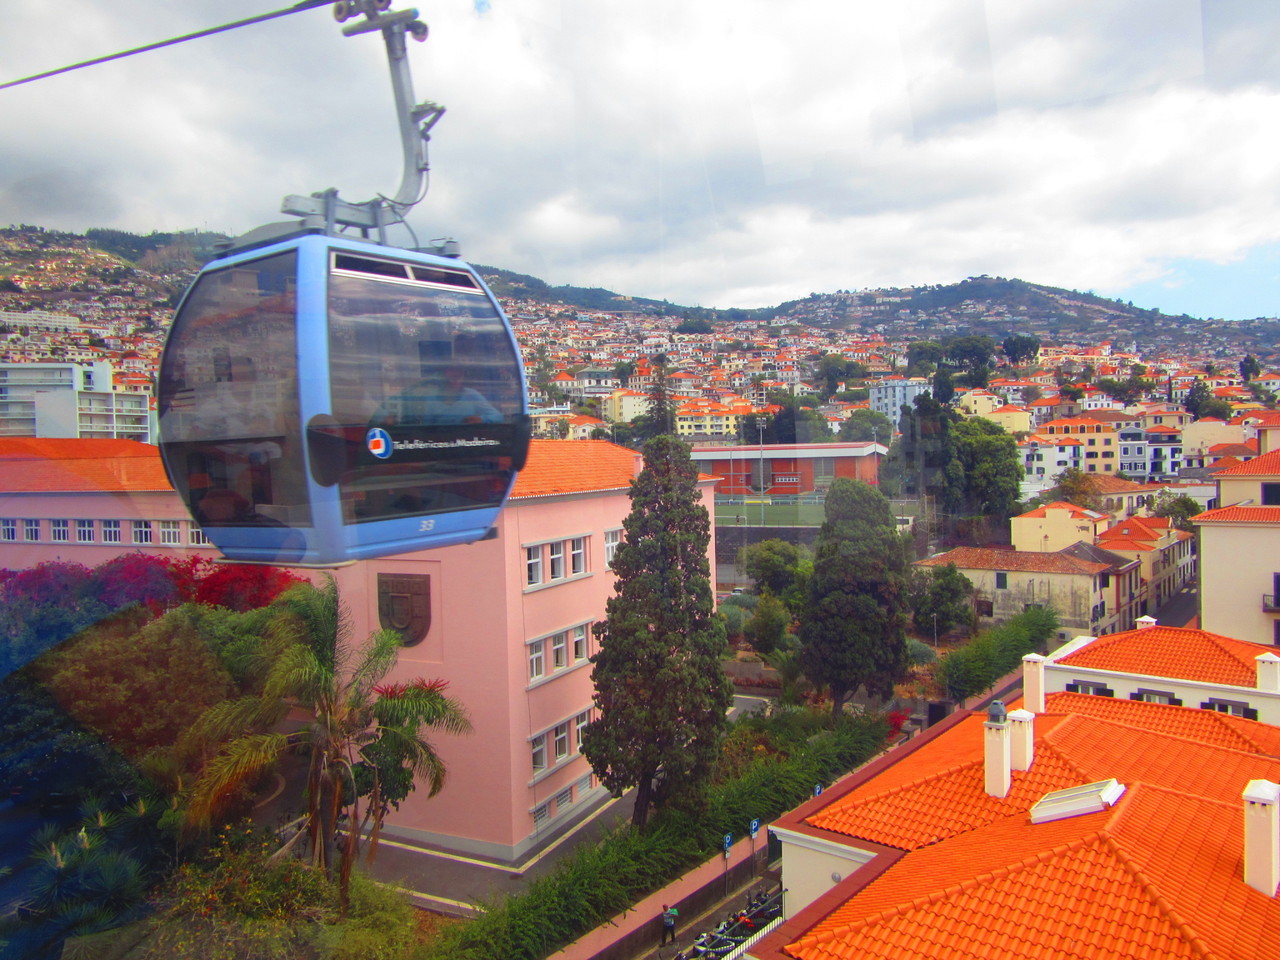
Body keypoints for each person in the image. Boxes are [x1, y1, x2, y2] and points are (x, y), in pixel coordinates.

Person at [375, 362, 502, 427]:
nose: (455, 380)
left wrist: (481, 419)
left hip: (469, 444)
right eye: (451, 376)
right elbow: (427, 427)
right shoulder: (431, 397)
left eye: (458, 376)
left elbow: (498, 416)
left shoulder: (472, 395)